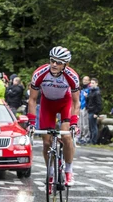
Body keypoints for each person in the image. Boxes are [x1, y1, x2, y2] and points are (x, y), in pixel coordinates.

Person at [26, 46, 80, 187]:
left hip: (65, 104)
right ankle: (50, 172)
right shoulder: (40, 73)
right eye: (52, 61)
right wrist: (31, 123)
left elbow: (75, 102)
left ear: (65, 65)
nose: (54, 64)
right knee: (46, 142)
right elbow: (32, 100)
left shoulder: (72, 76)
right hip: (47, 105)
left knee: (67, 136)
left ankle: (69, 171)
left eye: (59, 62)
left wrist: (74, 123)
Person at [86, 78, 103, 145]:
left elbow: (99, 104)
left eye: (93, 83)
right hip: (90, 110)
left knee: (93, 127)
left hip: (93, 111)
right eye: (91, 83)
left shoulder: (97, 92)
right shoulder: (91, 91)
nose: (91, 84)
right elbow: (90, 101)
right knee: (90, 126)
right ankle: (90, 139)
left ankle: (94, 141)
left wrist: (96, 113)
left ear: (96, 84)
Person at [79, 76, 91, 144]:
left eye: (86, 80)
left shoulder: (89, 89)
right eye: (84, 80)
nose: (85, 81)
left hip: (86, 107)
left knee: (85, 124)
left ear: (88, 81)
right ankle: (80, 136)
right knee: (80, 123)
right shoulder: (82, 88)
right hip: (81, 106)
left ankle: (86, 137)